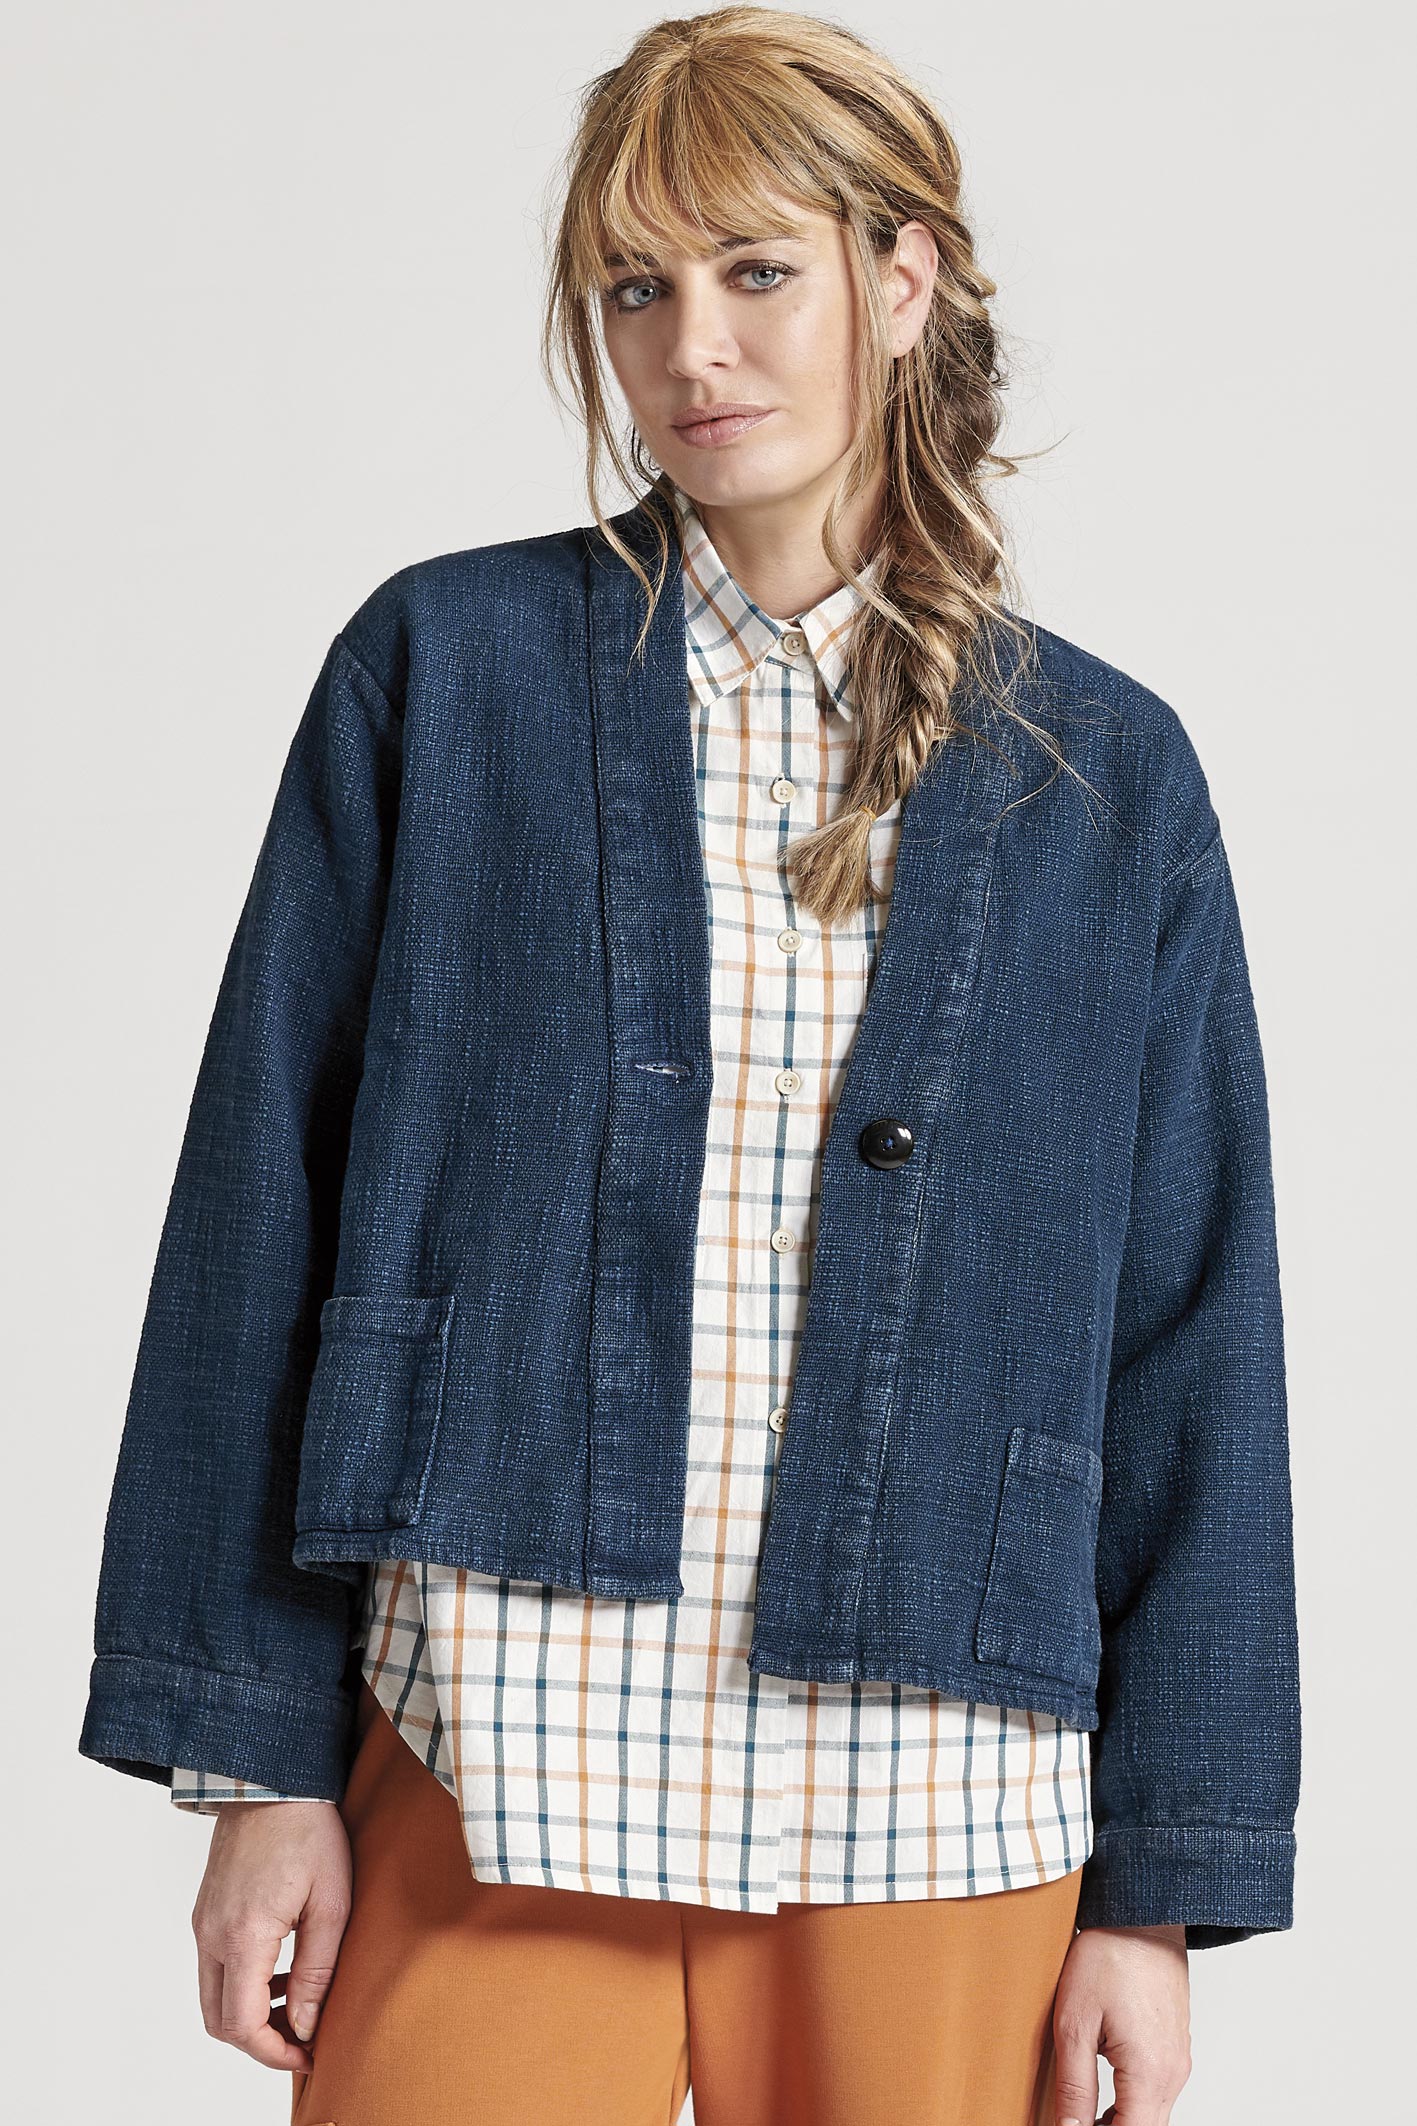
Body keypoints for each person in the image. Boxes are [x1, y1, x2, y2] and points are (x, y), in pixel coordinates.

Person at [78, 10, 1301, 2124]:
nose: (690, 348)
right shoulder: (443, 675)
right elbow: (252, 1220)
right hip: (496, 1733)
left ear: (900, 280)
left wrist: (1163, 1890)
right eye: (635, 288)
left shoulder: (1101, 774)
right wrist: (256, 1763)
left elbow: (1192, 1327)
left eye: (755, 271)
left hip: (943, 1782)